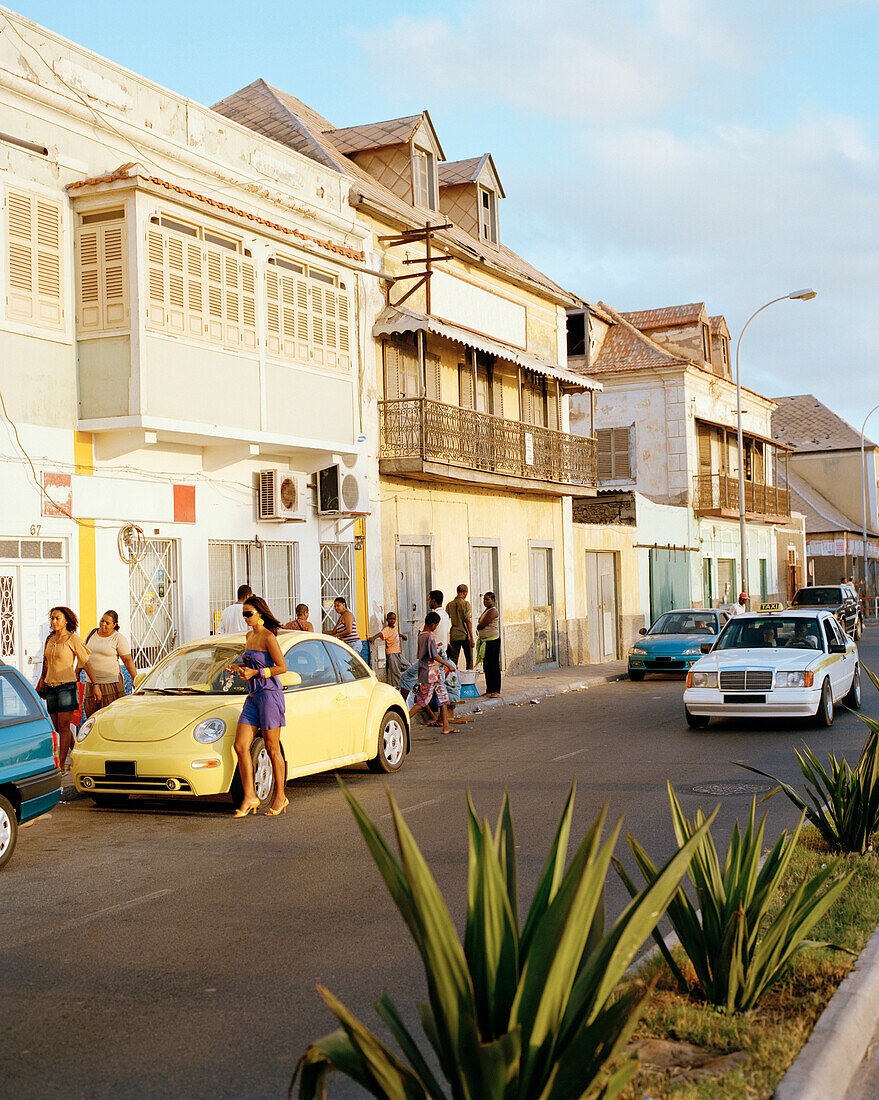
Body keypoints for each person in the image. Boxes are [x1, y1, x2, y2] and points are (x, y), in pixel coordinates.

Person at [226, 595, 288, 817]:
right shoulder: (249, 635)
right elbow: (253, 663)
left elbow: (282, 667)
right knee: (240, 746)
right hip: (253, 696)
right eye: (243, 614)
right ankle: (250, 795)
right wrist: (239, 667)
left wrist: (257, 673)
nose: (245, 618)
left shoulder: (268, 637)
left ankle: (280, 796)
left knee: (272, 748)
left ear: (260, 613)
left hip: (270, 695)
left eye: (248, 614)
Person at [37, 606, 101, 772]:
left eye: (57, 618)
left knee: (64, 727)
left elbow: (86, 662)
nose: (53, 621)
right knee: (57, 727)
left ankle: (62, 765)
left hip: (67, 687)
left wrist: (95, 685)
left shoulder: (73, 639)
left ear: (66, 620)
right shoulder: (50, 639)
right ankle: (77, 752)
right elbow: (46, 663)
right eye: (52, 618)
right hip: (51, 687)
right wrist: (42, 681)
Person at [409, 611, 459, 735]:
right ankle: (404, 720)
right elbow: (434, 656)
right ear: (432, 625)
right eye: (436, 625)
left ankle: (446, 726)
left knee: (443, 697)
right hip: (430, 673)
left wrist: (435, 646)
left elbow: (423, 652)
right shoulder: (430, 636)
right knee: (423, 701)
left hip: (431, 672)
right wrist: (447, 664)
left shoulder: (421, 635)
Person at [81, 610, 138, 717]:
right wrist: (77, 672)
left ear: (114, 625)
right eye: (102, 620)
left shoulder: (118, 638)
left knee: (111, 716)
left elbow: (127, 660)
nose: (103, 624)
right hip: (92, 684)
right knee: (92, 716)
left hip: (110, 684)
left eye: (107, 623)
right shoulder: (91, 633)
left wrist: (135, 679)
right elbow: (83, 655)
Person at [370, 612, 406, 690]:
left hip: (398, 652)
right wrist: (373, 638)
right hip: (391, 653)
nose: (392, 621)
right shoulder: (386, 629)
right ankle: (397, 688)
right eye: (390, 619)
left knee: (407, 666)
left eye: (394, 619)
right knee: (395, 673)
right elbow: (380, 634)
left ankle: (401, 684)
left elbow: (396, 633)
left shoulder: (395, 627)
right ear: (387, 620)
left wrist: (402, 635)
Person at [478, 591, 501, 698]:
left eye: (487, 599)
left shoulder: (493, 611)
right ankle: (489, 689)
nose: (485, 601)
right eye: (484, 599)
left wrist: (479, 626)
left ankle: (496, 690)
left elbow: (482, 624)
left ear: (493, 600)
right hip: (486, 641)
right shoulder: (486, 611)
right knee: (487, 666)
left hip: (493, 641)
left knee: (494, 666)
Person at [446, 584, 475, 669]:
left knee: (453, 660)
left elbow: (447, 620)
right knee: (469, 660)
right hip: (464, 635)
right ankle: (469, 679)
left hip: (454, 635)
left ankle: (452, 678)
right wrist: (472, 637)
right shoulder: (466, 604)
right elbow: (468, 621)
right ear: (464, 593)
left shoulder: (449, 605)